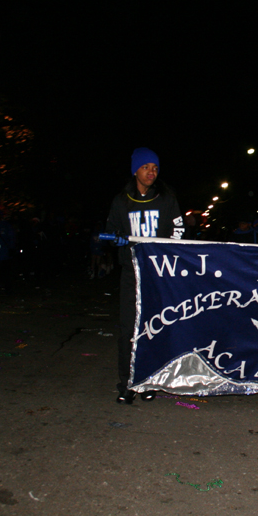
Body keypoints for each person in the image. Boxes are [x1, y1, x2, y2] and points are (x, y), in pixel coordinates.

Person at [105, 147, 184, 404]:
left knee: (154, 328)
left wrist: (165, 249)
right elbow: (112, 229)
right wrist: (116, 240)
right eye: (146, 167)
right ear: (135, 170)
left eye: (155, 168)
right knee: (129, 329)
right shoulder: (121, 200)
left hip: (157, 275)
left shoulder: (165, 198)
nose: (152, 172)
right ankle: (128, 384)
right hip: (132, 274)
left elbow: (178, 230)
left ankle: (151, 381)